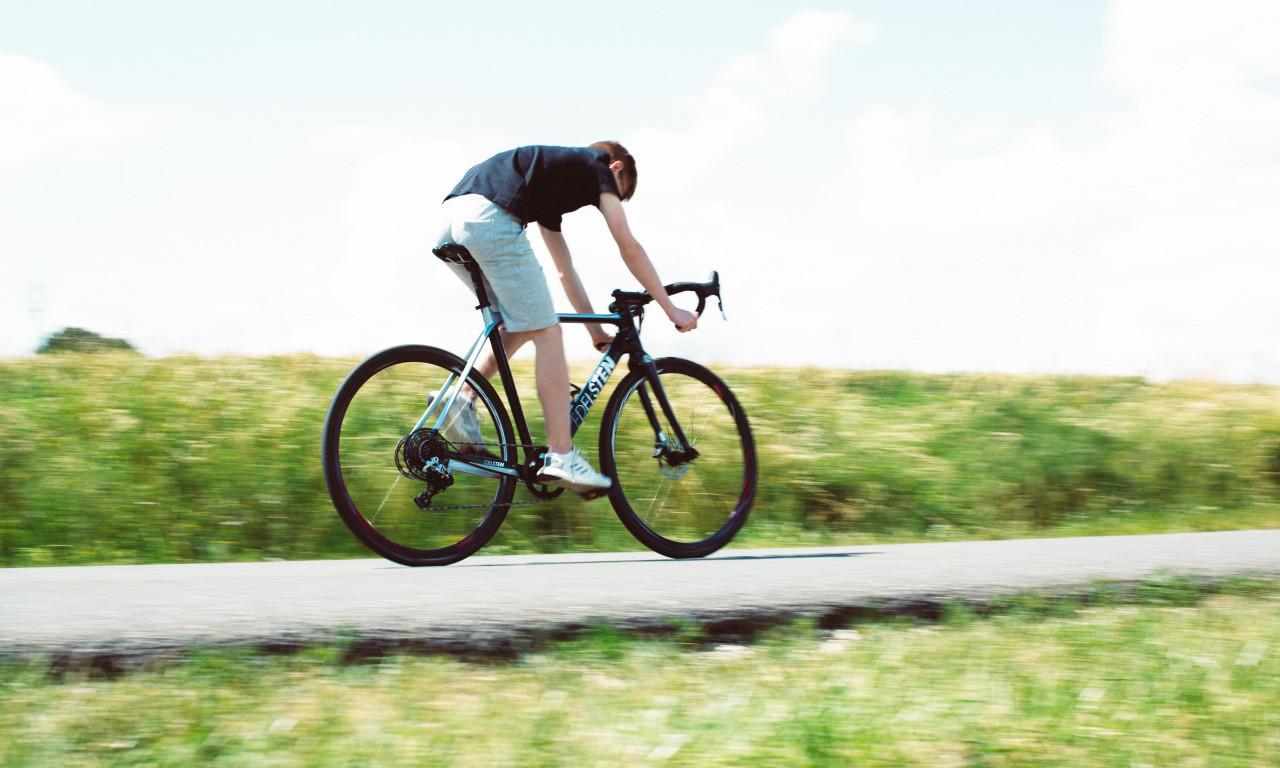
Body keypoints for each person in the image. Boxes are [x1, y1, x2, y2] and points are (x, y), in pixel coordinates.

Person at [432, 142, 698, 496]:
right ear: (615, 168)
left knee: (519, 321)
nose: (613, 201)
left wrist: (594, 331)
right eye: (621, 193)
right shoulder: (598, 163)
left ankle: (458, 400)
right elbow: (627, 245)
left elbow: (564, 270)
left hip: (450, 220)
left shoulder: (549, 185)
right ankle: (561, 455)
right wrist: (671, 309)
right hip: (487, 220)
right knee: (548, 333)